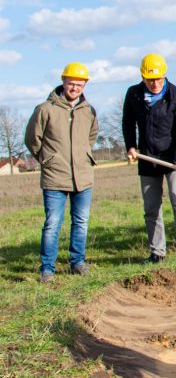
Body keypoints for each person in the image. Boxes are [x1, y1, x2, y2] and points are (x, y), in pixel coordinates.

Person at [25, 62, 99, 283]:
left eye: (79, 84)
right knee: (52, 223)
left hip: (83, 177)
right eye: (71, 83)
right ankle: (47, 268)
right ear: (63, 82)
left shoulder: (89, 111)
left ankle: (77, 262)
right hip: (54, 177)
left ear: (84, 85)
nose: (74, 88)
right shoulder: (44, 109)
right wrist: (47, 159)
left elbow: (92, 135)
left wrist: (84, 155)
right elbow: (32, 139)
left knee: (81, 221)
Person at [122, 54, 176, 263]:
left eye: (158, 79)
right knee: (151, 207)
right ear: (143, 77)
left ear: (164, 75)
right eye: (150, 79)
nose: (155, 84)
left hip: (173, 159)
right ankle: (157, 252)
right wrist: (131, 146)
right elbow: (128, 123)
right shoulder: (134, 94)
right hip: (146, 157)